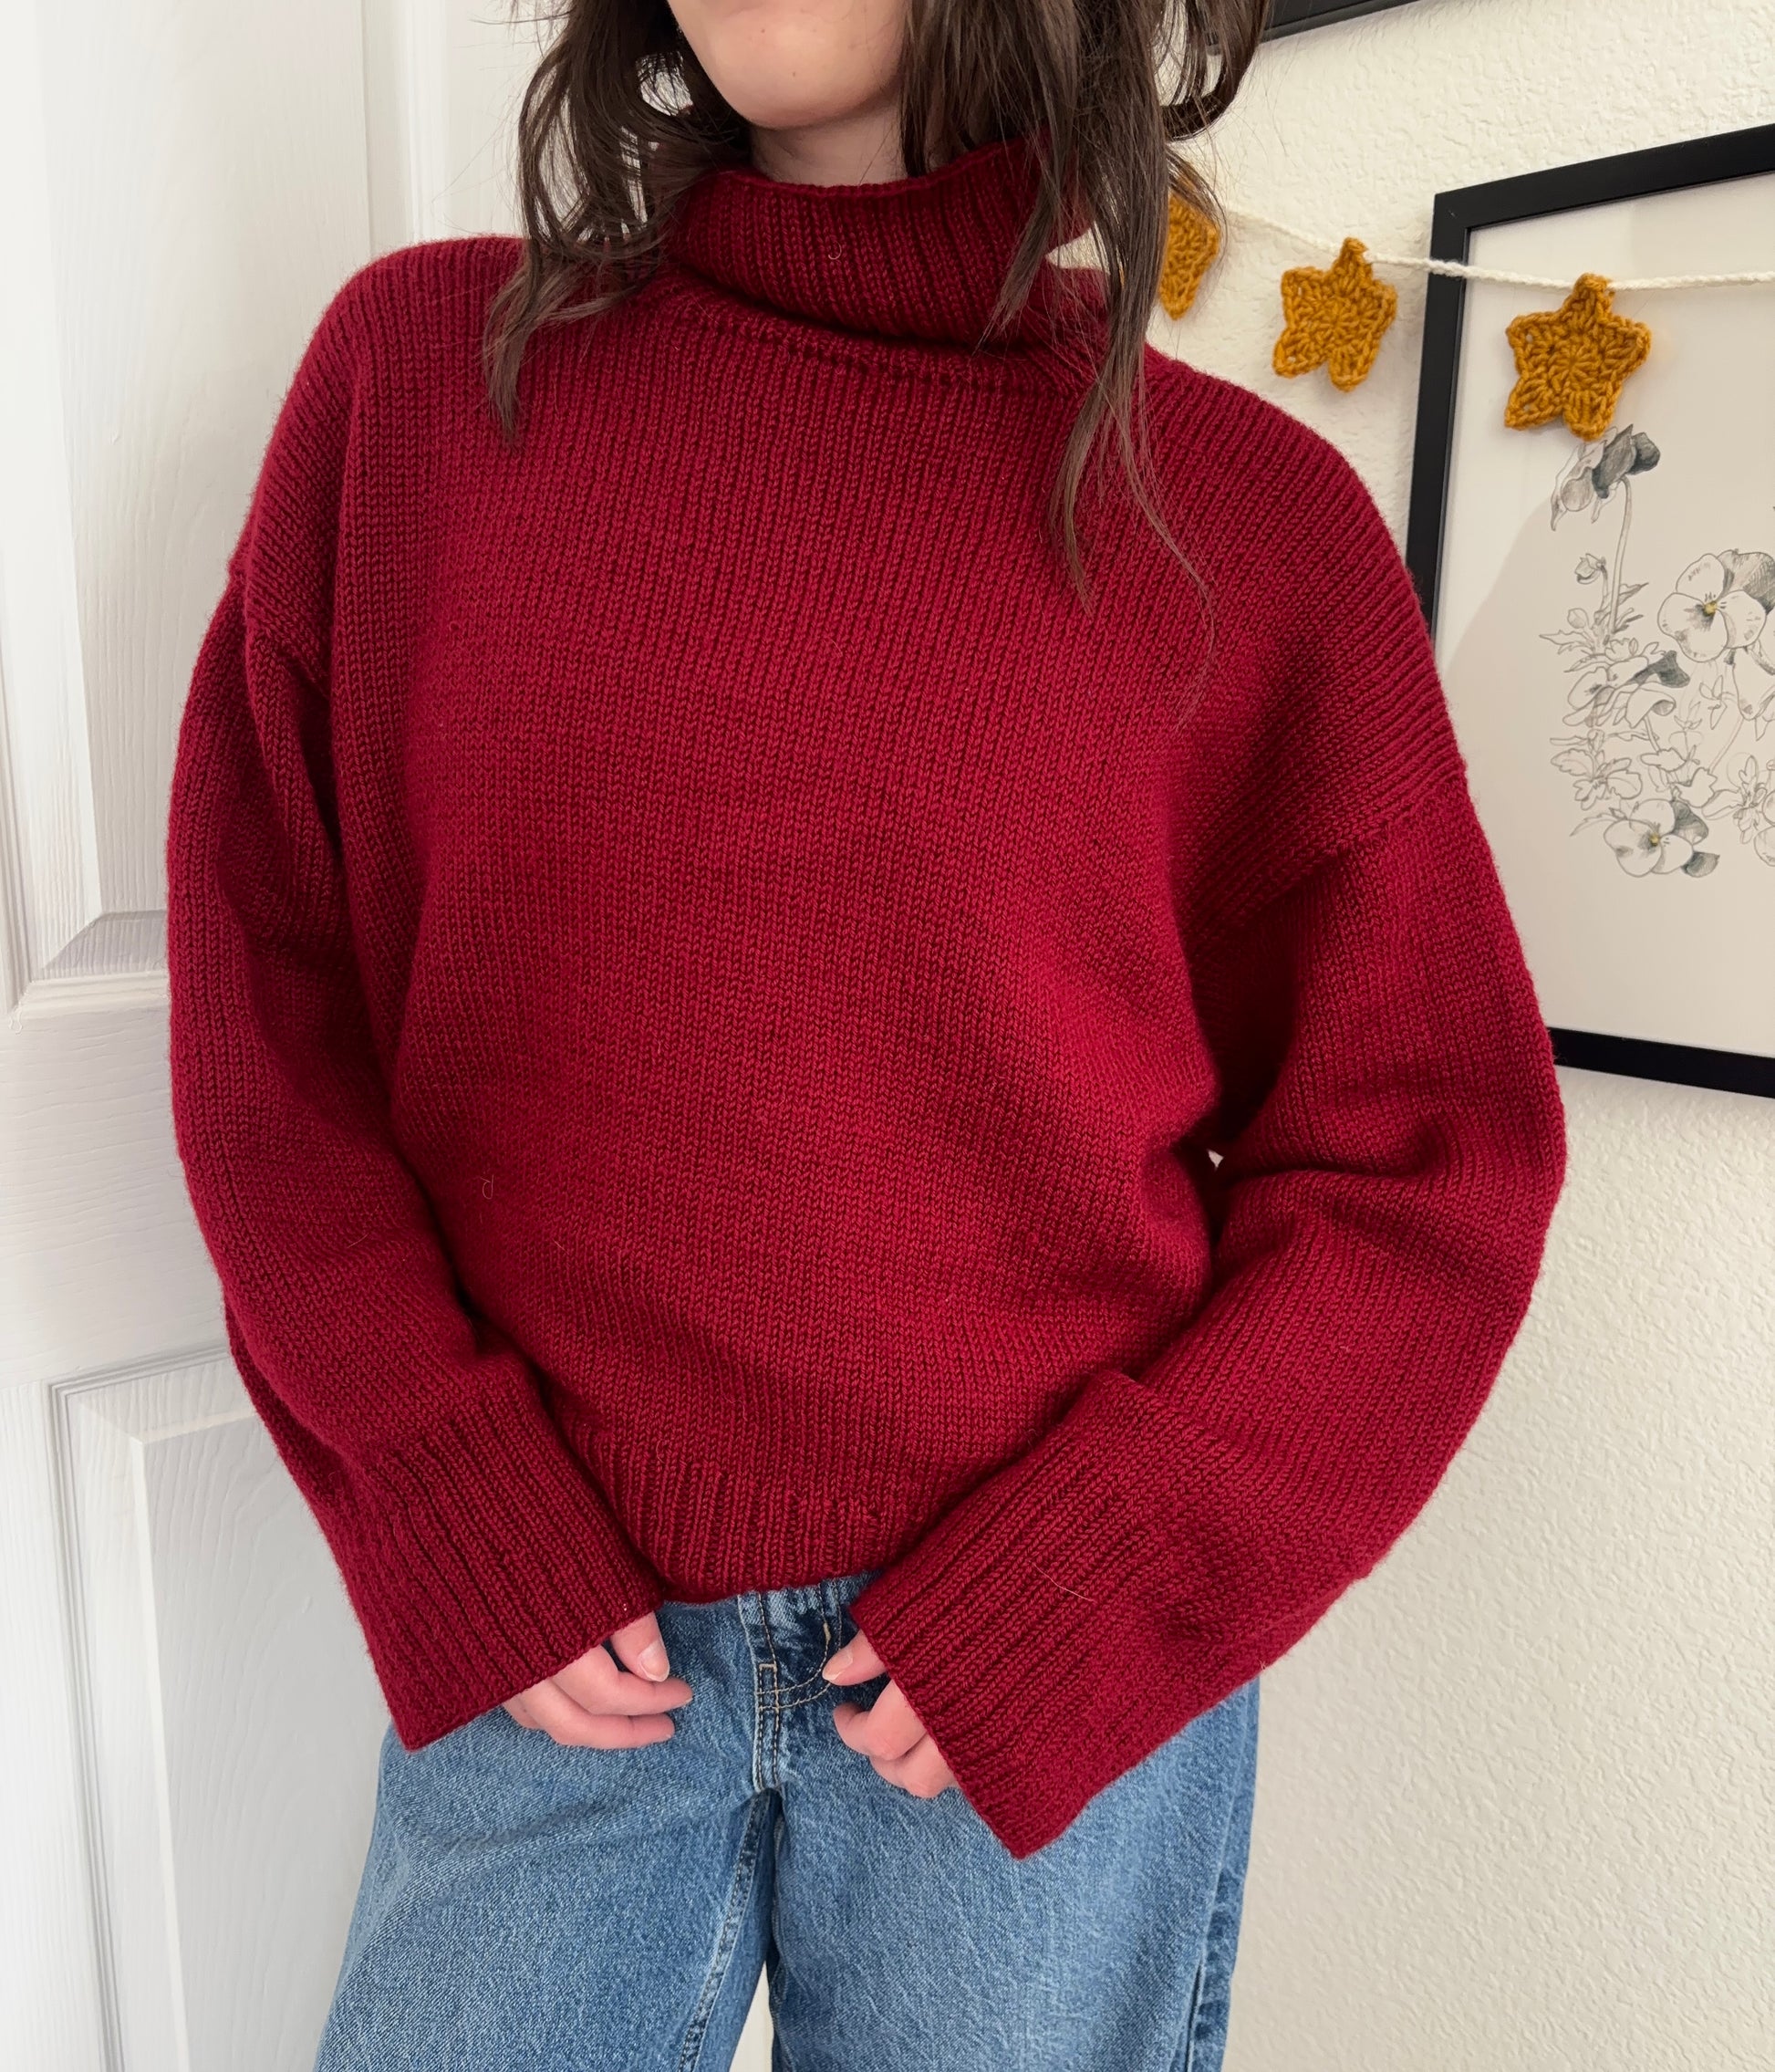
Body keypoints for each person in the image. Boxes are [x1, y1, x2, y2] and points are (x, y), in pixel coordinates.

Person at [162, 1, 1568, 2066]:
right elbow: (267, 1009)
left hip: (1028, 1687)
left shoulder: (1245, 529)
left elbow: (1425, 1161)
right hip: (554, 1625)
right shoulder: (426, 390)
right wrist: (440, 1482)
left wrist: (1110, 1579)